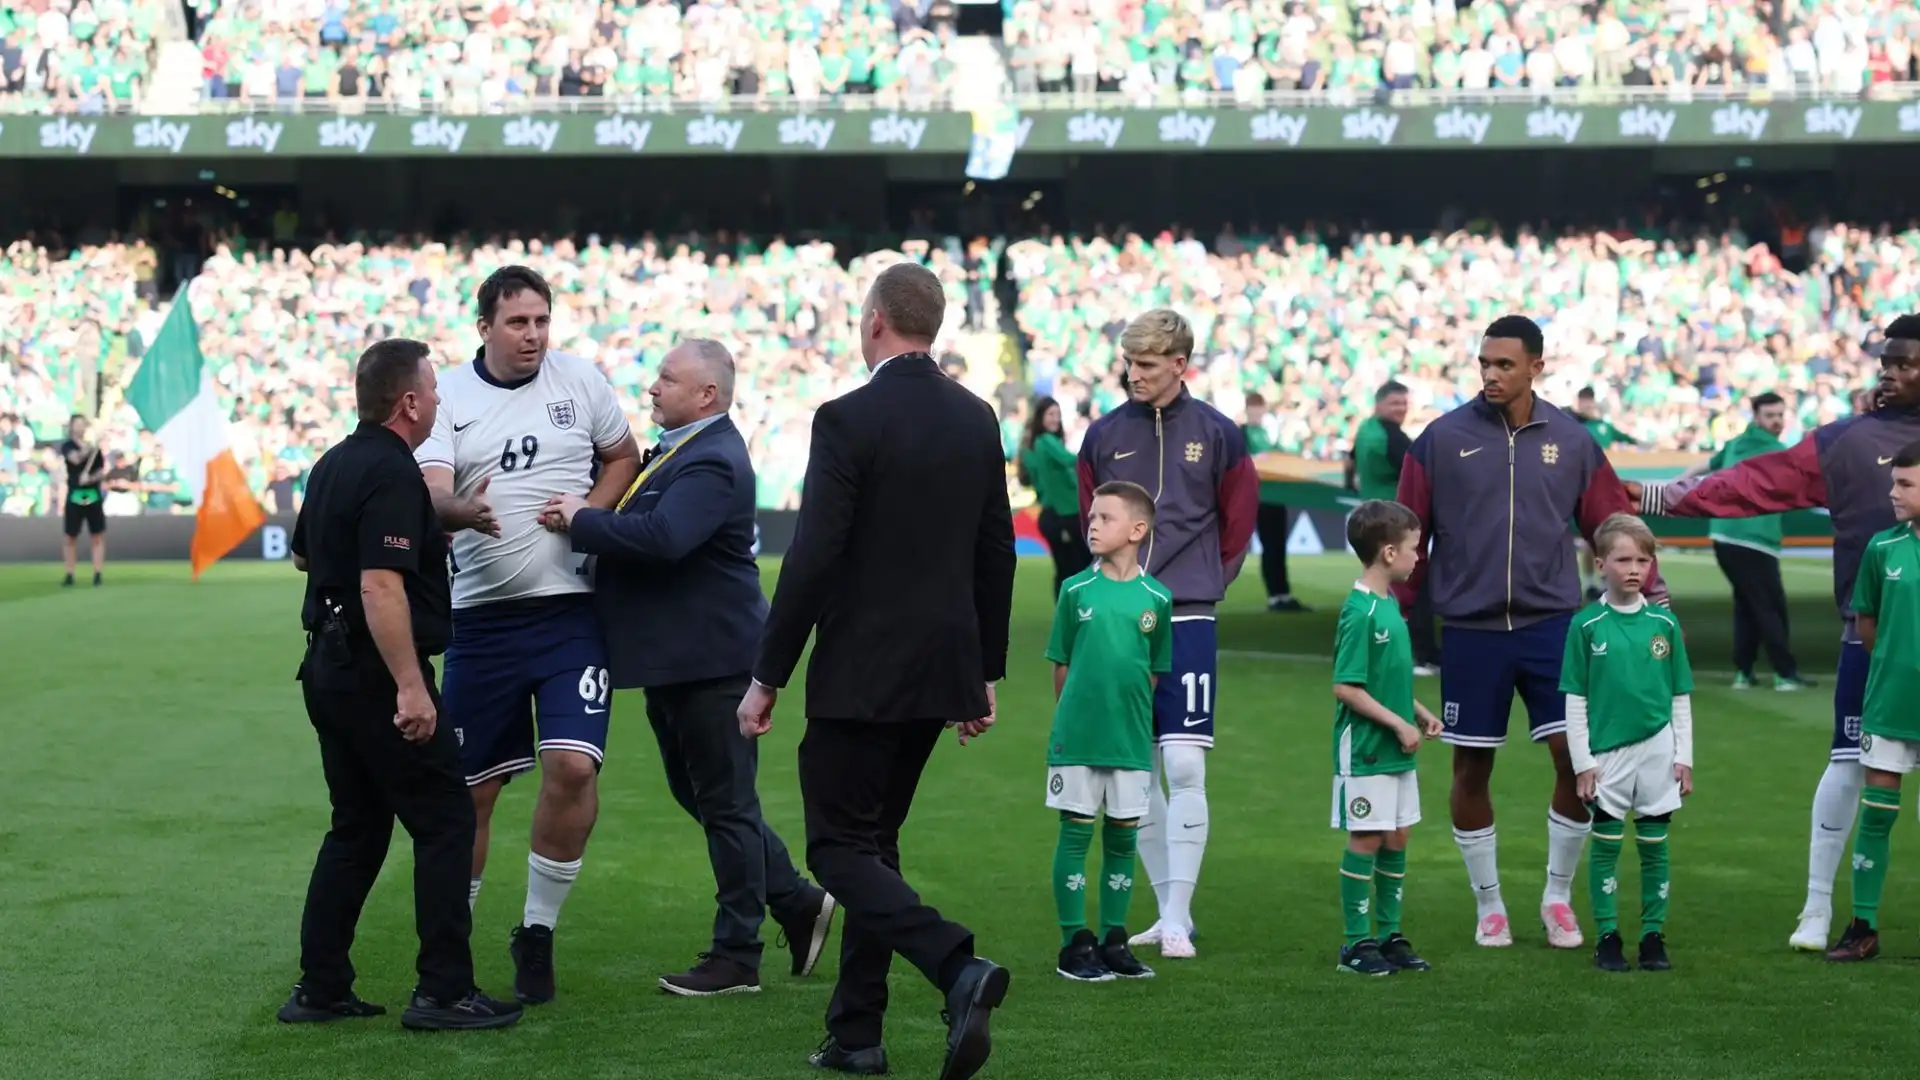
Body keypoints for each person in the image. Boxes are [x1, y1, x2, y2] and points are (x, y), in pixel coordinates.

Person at [737, 262, 1017, 1080]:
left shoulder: (847, 418)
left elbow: (814, 555)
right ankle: (855, 1033)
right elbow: (994, 550)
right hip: (940, 670)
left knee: (836, 849)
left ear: (873, 324)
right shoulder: (977, 418)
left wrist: (767, 674)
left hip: (863, 668)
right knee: (874, 845)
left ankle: (955, 965)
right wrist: (984, 672)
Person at [540, 338, 837, 996]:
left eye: (667, 380)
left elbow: (663, 538)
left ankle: (738, 955)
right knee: (703, 796)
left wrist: (582, 518)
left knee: (727, 806)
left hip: (715, 663)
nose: (653, 388)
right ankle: (791, 898)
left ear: (707, 394)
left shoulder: (713, 460)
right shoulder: (682, 451)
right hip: (680, 660)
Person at [1630, 314, 1920, 953]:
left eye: (1907, 364)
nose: (1893, 375)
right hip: (1868, 640)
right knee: (1851, 764)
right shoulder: (1847, 440)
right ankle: (1819, 910)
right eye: (1887, 364)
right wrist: (1656, 498)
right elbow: (1752, 483)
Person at [1394, 314, 1665, 950]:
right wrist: (1395, 618)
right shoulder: (1439, 439)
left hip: (1554, 627)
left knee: (1578, 762)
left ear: (1537, 366)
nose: (1491, 374)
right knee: (1471, 766)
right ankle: (1489, 905)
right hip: (1470, 630)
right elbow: (1409, 537)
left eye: (1505, 364)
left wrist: (1653, 597)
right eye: (1484, 363)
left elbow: (1612, 527)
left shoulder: (1573, 442)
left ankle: (1556, 897)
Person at [413, 265, 642, 1004]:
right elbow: (432, 492)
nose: (534, 336)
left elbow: (623, 455)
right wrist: (459, 513)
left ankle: (537, 931)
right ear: (484, 328)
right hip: (480, 622)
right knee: (473, 794)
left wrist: (589, 510)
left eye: (542, 320)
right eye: (518, 323)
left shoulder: (581, 380)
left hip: (570, 613)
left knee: (574, 767)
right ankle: (455, 947)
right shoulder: (451, 394)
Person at [282, 338, 521, 1031]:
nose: (440, 400)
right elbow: (381, 583)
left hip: (325, 668)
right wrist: (411, 689)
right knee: (446, 817)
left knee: (356, 827)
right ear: (409, 402)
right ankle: (444, 990)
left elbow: (304, 553)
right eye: (433, 391)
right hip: (375, 673)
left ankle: (320, 986)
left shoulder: (333, 463)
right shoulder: (392, 472)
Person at [1077, 308, 1258, 961]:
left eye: (1149, 366)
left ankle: (1177, 916)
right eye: (1131, 364)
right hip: (1119, 619)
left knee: (1182, 762)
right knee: (1131, 770)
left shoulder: (1219, 434)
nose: (1136, 376)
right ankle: (1164, 908)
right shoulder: (1102, 435)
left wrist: (1207, 580)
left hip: (1185, 615)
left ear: (1180, 365)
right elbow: (1089, 521)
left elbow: (1238, 523)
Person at [1044, 480, 1169, 984]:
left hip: (1131, 740)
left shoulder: (1156, 598)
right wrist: (1075, 718)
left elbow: (1152, 671)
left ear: (1137, 530)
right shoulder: (1075, 590)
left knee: (1122, 837)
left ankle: (1114, 938)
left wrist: (1125, 715)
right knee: (1075, 835)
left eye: (1105, 518)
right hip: (1078, 738)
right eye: (1091, 517)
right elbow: (1061, 666)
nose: (1092, 525)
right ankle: (1075, 942)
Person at [1561, 514, 1694, 974]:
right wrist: (1583, 762)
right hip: (1607, 756)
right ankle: (1608, 936)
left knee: (1655, 846)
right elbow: (1575, 699)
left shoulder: (1665, 624)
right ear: (1600, 564)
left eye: (1643, 559)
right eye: (1623, 559)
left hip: (1658, 750)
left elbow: (1680, 695)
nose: (1634, 568)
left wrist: (1684, 757)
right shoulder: (1585, 625)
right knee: (1606, 847)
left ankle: (1653, 936)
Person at [1330, 499, 1442, 977]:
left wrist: (1415, 711)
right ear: (1390, 552)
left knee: (1397, 835)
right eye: (1416, 548)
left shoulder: (1390, 605)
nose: (1421, 556)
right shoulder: (1360, 613)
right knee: (1369, 836)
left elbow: (1387, 679)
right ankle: (1356, 943)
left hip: (1395, 746)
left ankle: (1390, 934)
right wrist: (1397, 724)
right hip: (1367, 749)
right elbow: (1346, 686)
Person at [1825, 441, 1920, 962]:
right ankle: (1863, 926)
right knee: (1878, 814)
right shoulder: (1883, 548)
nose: (1893, 492)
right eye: (1894, 482)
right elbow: (1869, 625)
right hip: (1889, 703)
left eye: (1905, 483)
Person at [1696, 392, 1810, 690]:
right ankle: (1784, 673)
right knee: (1770, 606)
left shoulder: (1736, 444)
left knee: (1747, 604)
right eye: (1770, 415)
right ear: (1757, 418)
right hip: (1753, 540)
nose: (1776, 421)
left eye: (1780, 415)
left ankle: (1743, 672)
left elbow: (1706, 466)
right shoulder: (1779, 451)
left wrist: (1671, 489)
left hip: (1724, 535)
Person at [1344, 381, 1434, 669]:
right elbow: (1420, 470)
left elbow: (1350, 465)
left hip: (1369, 517)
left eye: (1404, 403)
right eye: (1395, 403)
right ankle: (1421, 653)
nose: (1401, 408)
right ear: (1379, 403)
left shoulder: (1365, 429)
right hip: (1396, 521)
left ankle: (1375, 649)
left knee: (1379, 585)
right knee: (1415, 585)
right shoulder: (1393, 436)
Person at [1020, 395, 1091, 597]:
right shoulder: (1046, 441)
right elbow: (1069, 460)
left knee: (1067, 566)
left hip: (1056, 513)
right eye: (1051, 414)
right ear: (1040, 417)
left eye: (1058, 414)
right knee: (1076, 565)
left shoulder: (1035, 445)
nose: (1056, 419)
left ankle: (1068, 613)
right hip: (1064, 514)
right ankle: (1073, 612)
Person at [1244, 393, 1307, 613]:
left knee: (1277, 545)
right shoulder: (1242, 433)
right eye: (1254, 410)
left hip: (1275, 497)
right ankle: (1276, 595)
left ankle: (1282, 593)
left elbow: (1280, 457)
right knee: (1270, 545)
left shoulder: (1265, 433)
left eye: (1260, 410)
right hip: (1258, 497)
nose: (1257, 414)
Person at [59, 414, 109, 587]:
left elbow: (101, 471)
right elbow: (75, 458)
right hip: (75, 495)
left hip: (92, 495)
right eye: (77, 424)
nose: (80, 427)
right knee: (70, 536)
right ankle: (70, 573)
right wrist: (88, 448)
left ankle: (97, 573)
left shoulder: (95, 450)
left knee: (97, 535)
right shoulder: (67, 446)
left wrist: (90, 478)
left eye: (82, 424)